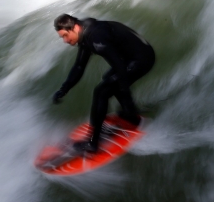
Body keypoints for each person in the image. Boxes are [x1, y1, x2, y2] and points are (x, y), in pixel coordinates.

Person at [52, 14, 155, 153]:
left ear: (75, 27)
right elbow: (79, 66)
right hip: (132, 57)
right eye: (62, 37)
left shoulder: (97, 39)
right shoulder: (85, 32)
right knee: (109, 80)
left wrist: (123, 89)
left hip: (141, 59)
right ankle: (131, 116)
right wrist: (64, 89)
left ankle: (93, 144)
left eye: (65, 35)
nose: (64, 40)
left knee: (101, 92)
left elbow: (119, 67)